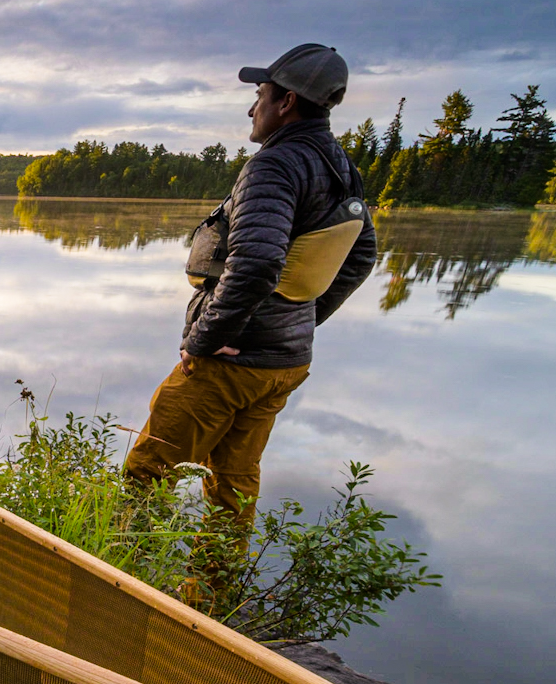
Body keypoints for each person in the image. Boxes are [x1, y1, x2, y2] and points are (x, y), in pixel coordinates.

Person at [123, 43, 377, 518]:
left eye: (260, 94)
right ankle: (210, 592)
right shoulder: (342, 167)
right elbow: (362, 256)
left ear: (287, 102)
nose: (251, 107)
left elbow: (257, 264)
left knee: (149, 472)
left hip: (231, 365)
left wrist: (205, 341)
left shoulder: (275, 165)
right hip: (283, 364)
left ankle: (110, 585)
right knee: (234, 485)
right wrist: (297, 320)